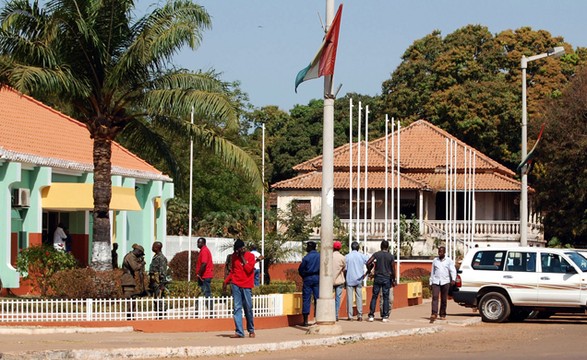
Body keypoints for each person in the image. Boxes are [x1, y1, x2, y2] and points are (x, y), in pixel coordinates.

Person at [223, 239, 256, 338]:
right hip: (236, 284)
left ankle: (251, 329)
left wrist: (242, 257)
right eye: (236, 250)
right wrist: (226, 282)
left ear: (243, 248)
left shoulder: (250, 256)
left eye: (239, 250)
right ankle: (239, 332)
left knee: (248, 308)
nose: (237, 252)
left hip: (246, 285)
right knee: (237, 308)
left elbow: (249, 269)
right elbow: (233, 271)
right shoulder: (234, 257)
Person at [366, 240, 396, 322]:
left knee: (374, 296)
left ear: (381, 246)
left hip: (377, 277)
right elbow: (393, 268)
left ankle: (371, 315)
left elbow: (368, 262)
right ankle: (385, 316)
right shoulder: (390, 256)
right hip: (386, 278)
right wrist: (394, 279)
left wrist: (369, 270)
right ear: (388, 247)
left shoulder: (377, 254)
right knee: (386, 297)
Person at [429, 246, 457, 322]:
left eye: (441, 252)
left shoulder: (448, 261)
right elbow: (432, 272)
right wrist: (431, 282)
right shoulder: (435, 260)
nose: (439, 253)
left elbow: (453, 270)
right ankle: (434, 313)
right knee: (435, 297)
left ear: (444, 252)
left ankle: (442, 314)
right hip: (436, 281)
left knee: (444, 299)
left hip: (445, 282)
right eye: (439, 252)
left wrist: (453, 279)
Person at [345, 241, 369, 321]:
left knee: (349, 298)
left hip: (350, 279)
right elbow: (369, 262)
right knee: (359, 297)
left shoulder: (347, 257)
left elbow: (345, 269)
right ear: (358, 248)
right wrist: (367, 272)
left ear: (351, 248)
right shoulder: (362, 256)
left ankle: (350, 316)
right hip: (359, 278)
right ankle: (360, 315)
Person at [298, 241, 320, 326]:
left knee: (306, 298)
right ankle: (318, 318)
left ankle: (305, 320)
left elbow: (300, 269)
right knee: (317, 299)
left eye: (307, 246)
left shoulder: (306, 258)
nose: (306, 248)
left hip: (308, 278)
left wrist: (304, 276)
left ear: (310, 248)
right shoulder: (319, 256)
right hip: (317, 278)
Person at [149, 241, 169, 318]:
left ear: (157, 248)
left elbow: (163, 271)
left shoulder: (161, 258)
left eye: (154, 246)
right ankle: (158, 314)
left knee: (160, 299)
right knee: (156, 300)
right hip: (154, 282)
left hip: (158, 282)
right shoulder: (155, 256)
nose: (152, 247)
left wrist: (162, 284)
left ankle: (161, 315)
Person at [195, 237, 214, 312]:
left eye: (199, 242)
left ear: (203, 243)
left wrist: (199, 274)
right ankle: (201, 309)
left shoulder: (204, 251)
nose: (197, 244)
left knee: (207, 293)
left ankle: (210, 310)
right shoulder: (203, 250)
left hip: (204, 276)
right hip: (203, 276)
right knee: (202, 293)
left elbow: (204, 263)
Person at [332, 240, 346, 321]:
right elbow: (344, 268)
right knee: (338, 298)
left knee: (329, 298)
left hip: (329, 281)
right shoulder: (342, 257)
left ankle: (329, 314)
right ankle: (336, 315)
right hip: (339, 280)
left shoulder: (329, 256)